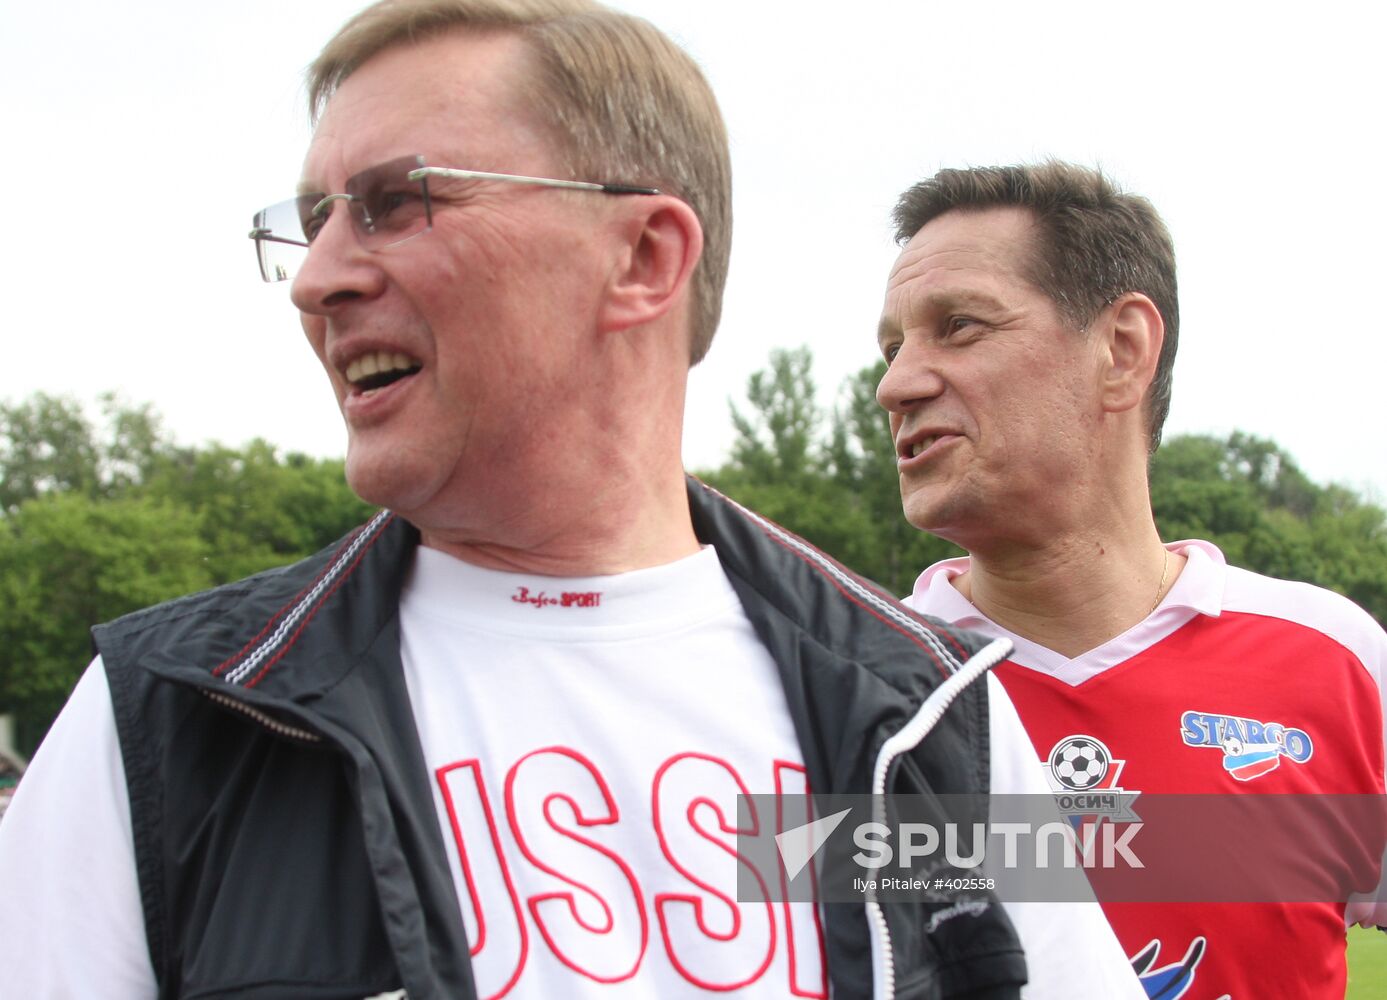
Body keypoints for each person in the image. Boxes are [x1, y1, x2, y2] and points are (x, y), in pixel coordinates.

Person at [0, 4, 1144, 998]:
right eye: (315, 220)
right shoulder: (172, 720)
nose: (318, 276)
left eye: (397, 202)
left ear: (643, 256)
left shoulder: (926, 718)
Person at [878, 160, 1387, 999]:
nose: (894, 384)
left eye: (958, 326)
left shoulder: (1337, 659)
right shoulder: (846, 689)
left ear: (1121, 349)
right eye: (893, 348)